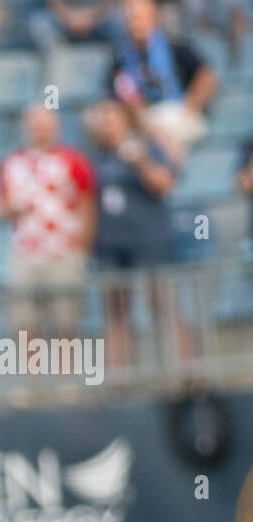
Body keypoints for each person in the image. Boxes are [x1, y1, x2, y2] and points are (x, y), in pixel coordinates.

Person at [86, 97, 186, 372]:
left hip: (149, 239)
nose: (106, 124)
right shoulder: (97, 156)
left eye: (111, 117)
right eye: (101, 118)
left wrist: (140, 161)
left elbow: (163, 183)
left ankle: (187, 372)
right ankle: (120, 378)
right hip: (111, 243)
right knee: (116, 312)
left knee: (163, 304)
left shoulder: (146, 147)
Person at [0, 104, 97, 341]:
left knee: (66, 321)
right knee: (25, 323)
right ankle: (33, 377)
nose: (40, 130)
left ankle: (66, 378)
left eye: (46, 125)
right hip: (25, 251)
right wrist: (14, 206)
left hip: (63, 250)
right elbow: (0, 206)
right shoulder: (12, 164)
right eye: (35, 125)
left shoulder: (73, 161)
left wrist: (81, 243)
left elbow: (87, 203)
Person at [107, 0, 218, 162]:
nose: (134, 23)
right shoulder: (122, 57)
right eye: (130, 18)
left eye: (139, 17)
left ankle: (170, 164)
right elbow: (116, 92)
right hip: (144, 120)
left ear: (154, 18)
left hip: (177, 112)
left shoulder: (175, 46)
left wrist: (191, 106)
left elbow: (208, 75)